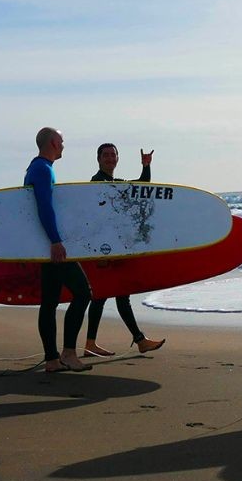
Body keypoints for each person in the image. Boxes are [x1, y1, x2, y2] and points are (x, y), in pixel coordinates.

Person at [83, 143, 166, 357]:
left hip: (117, 247)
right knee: (105, 295)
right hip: (105, 249)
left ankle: (134, 340)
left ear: (117, 159)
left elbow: (141, 186)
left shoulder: (115, 183)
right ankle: (136, 340)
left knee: (117, 294)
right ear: (99, 159)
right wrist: (100, 252)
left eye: (113, 155)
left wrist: (145, 166)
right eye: (106, 155)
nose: (110, 158)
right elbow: (95, 219)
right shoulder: (96, 182)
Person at [26, 127, 93, 372]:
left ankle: (52, 360)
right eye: (62, 141)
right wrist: (55, 241)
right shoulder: (42, 169)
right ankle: (68, 353)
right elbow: (44, 207)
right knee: (84, 293)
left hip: (43, 246)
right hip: (51, 245)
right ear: (54, 142)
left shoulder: (37, 168)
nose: (63, 145)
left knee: (50, 302)